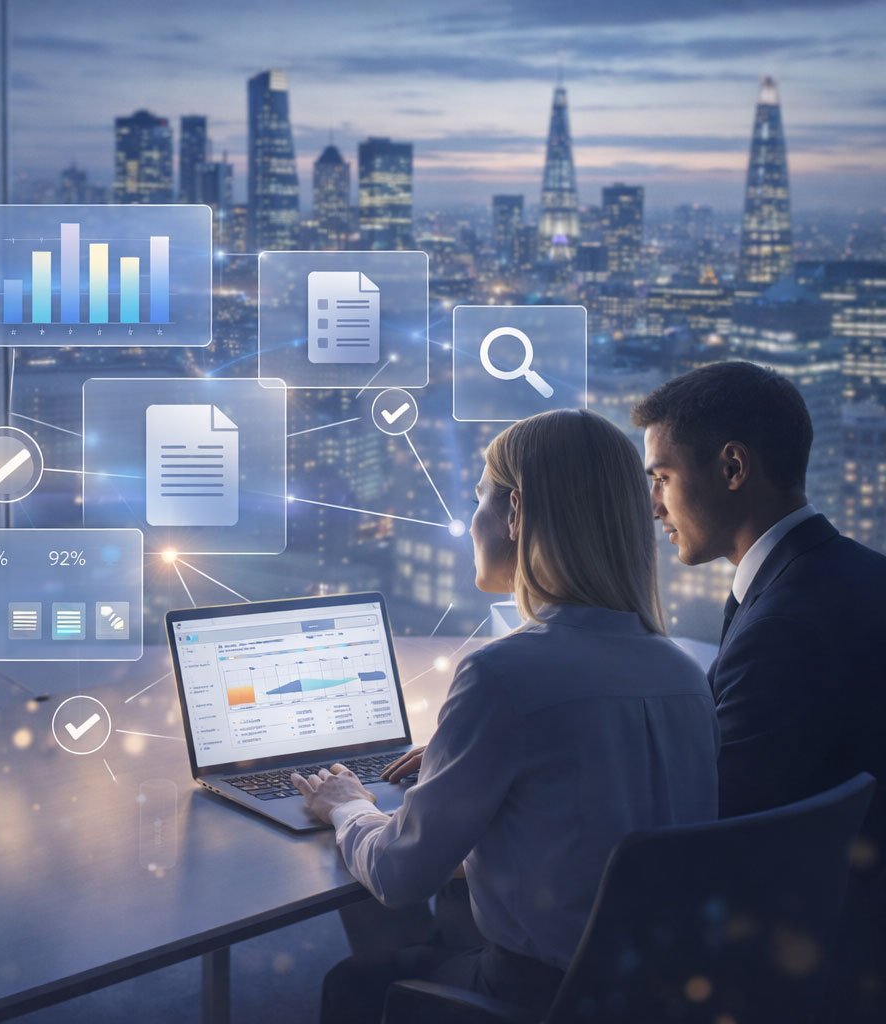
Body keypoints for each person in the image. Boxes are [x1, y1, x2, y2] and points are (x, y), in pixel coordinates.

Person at [294, 409, 719, 1022]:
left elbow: (398, 875)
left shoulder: (504, 676)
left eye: (479, 501)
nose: (471, 524)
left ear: (516, 513)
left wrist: (346, 805)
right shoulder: (682, 675)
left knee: (355, 982)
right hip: (649, 994)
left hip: (536, 995)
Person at [631, 361, 886, 1021]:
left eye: (661, 477)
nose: (653, 504)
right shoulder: (857, 575)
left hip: (785, 966)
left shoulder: (782, 627)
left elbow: (706, 816)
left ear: (733, 467)